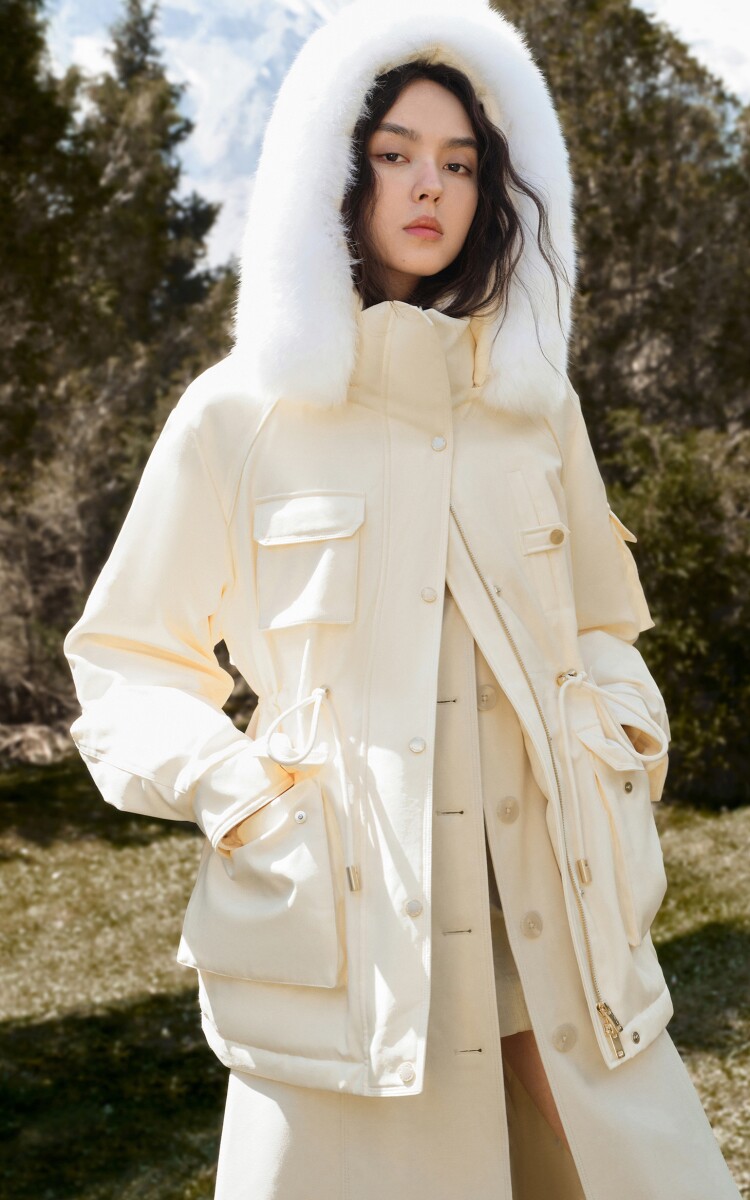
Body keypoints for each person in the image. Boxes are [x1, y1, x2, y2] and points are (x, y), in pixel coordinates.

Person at [63, 2, 743, 1198]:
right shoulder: (240, 412)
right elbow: (126, 661)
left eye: (461, 163)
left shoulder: (535, 408)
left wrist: (621, 737)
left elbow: (600, 621)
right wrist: (242, 799)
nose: (431, 186)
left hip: (559, 915)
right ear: (334, 169)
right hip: (347, 939)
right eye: (396, 154)